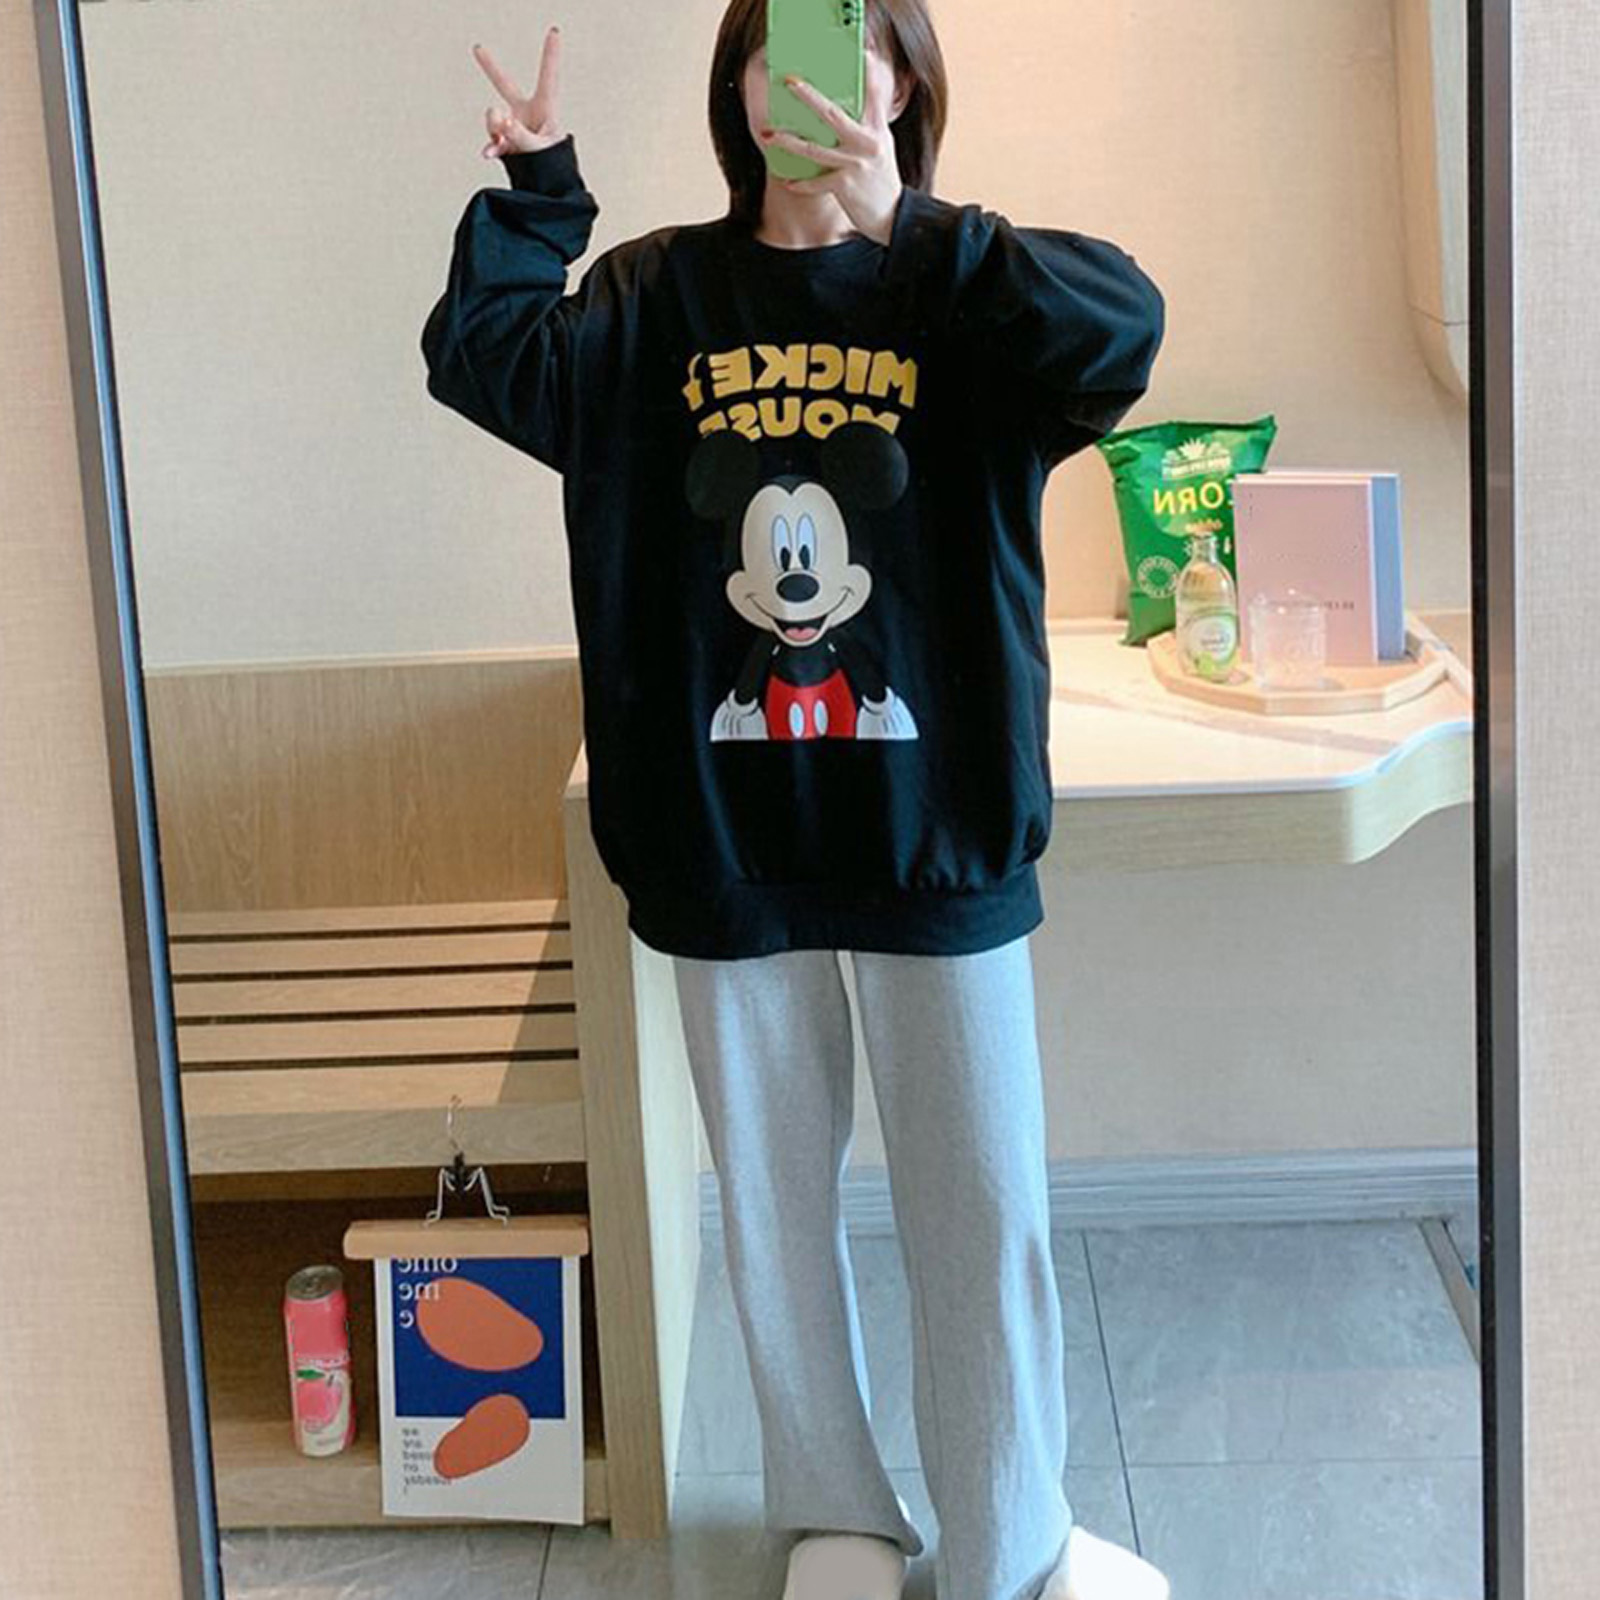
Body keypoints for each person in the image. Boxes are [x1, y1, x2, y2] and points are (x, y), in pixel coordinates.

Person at [421, 4, 1169, 1597]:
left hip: (938, 828)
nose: (814, 77)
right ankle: (832, 1516)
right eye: (778, 43)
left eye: (852, 43)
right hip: (723, 835)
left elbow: (1121, 332)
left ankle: (1011, 1541)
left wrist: (917, 230)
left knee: (984, 1216)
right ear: (738, 88)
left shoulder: (969, 290)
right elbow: (481, 359)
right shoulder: (652, 299)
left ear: (902, 83)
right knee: (769, 1210)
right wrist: (542, 197)